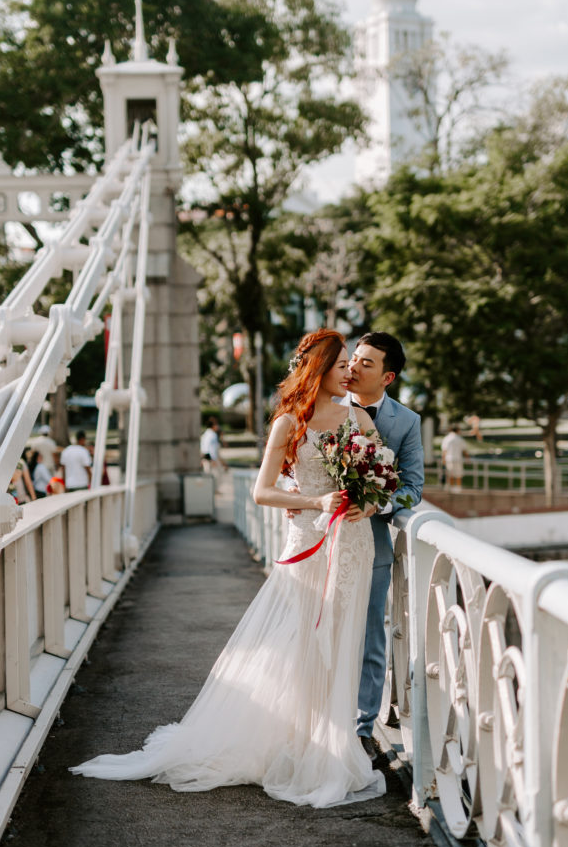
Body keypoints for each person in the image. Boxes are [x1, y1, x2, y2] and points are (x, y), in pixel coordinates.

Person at [70, 329, 386, 808]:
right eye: (342, 365)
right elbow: (263, 492)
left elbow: (379, 477)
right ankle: (308, 749)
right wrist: (314, 499)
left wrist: (365, 502)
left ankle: (335, 746)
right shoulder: (288, 422)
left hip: (353, 545)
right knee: (307, 647)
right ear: (318, 370)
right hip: (309, 539)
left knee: (344, 643)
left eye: (350, 365)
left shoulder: (359, 417)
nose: (350, 373)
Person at [342, 331, 424, 766]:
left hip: (370, 542)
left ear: (387, 376)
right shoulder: (322, 405)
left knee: (371, 636)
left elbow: (414, 487)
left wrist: (381, 502)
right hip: (319, 538)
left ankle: (361, 730)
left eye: (366, 363)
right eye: (353, 359)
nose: (353, 367)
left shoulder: (406, 422)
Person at [441, 424, 467, 491]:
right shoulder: (459, 439)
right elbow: (464, 450)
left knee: (450, 474)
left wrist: (443, 459)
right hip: (458, 458)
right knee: (458, 474)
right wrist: (468, 458)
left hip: (449, 458)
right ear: (457, 430)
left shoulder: (447, 438)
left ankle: (451, 487)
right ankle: (458, 488)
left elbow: (444, 450)